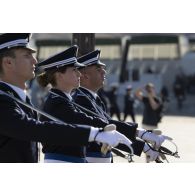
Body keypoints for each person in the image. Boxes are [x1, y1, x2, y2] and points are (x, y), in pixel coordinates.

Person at [0, 33, 132, 163]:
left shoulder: (19, 98)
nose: (35, 60)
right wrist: (94, 134)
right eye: (27, 55)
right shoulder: (4, 100)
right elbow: (33, 128)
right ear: (8, 62)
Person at [73, 49, 171, 163]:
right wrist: (142, 139)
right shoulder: (79, 99)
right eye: (98, 69)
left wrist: (143, 141)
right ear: (85, 76)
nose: (104, 72)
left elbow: (112, 130)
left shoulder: (93, 98)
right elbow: (105, 127)